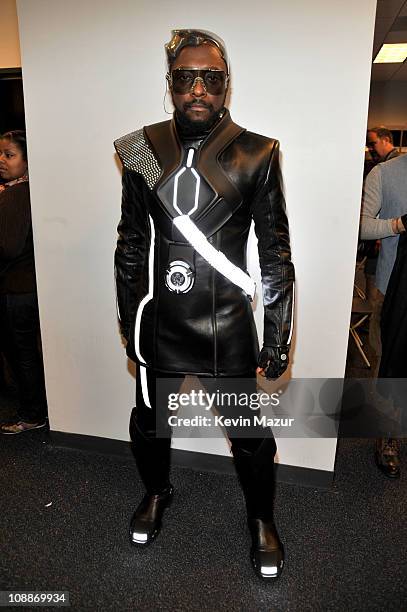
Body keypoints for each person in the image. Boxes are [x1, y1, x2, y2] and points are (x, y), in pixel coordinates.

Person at [114, 29, 294, 580]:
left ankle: (261, 518)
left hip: (226, 324)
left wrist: (278, 330)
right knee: (149, 423)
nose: (198, 89)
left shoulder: (259, 151)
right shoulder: (140, 148)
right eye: (185, 78)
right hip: (160, 320)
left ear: (226, 85)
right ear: (169, 84)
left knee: (249, 435)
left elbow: (275, 251)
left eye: (210, 78)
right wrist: (128, 318)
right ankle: (156, 491)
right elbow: (130, 242)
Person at [360, 152, 407, 477]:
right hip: (392, 290)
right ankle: (387, 438)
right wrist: (398, 224)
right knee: (387, 366)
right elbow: (361, 226)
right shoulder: (385, 173)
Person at [0, 130, 47, 434]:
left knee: (22, 353)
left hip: (17, 290)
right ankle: (34, 408)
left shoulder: (17, 194)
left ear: (27, 161)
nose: (2, 160)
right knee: (25, 352)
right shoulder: (16, 192)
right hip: (24, 287)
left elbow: (9, 246)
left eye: (9, 154)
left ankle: (31, 413)